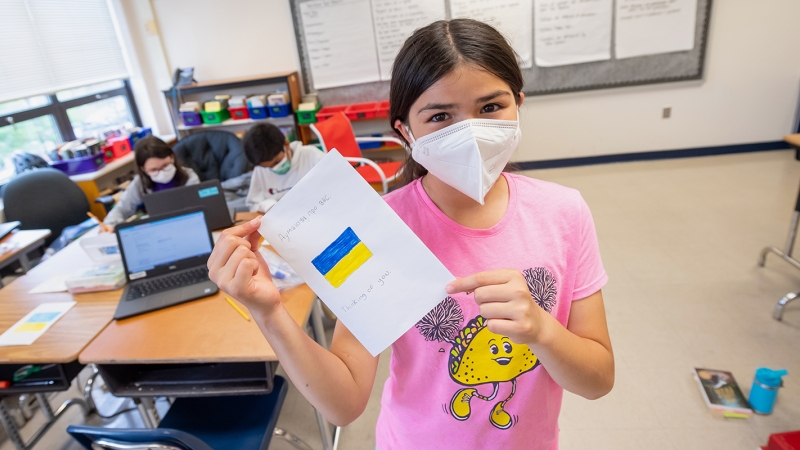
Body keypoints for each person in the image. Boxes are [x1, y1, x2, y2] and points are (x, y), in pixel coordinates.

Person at [208, 19, 614, 449]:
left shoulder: (564, 212)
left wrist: (542, 332)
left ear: (518, 103)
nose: (470, 133)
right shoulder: (377, 229)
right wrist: (269, 311)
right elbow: (344, 403)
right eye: (440, 116)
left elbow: (597, 380)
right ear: (405, 131)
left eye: (491, 107)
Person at [103, 136, 199, 226]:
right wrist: (110, 224)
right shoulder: (140, 183)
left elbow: (199, 208)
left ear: (172, 157)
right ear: (143, 169)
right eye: (154, 170)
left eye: (165, 165)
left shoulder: (189, 176)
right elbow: (121, 208)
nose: (161, 172)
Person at [243, 123, 324, 213]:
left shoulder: (311, 155)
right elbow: (253, 204)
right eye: (268, 167)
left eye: (277, 162)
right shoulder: (260, 170)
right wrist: (268, 206)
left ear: (286, 145)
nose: (275, 168)